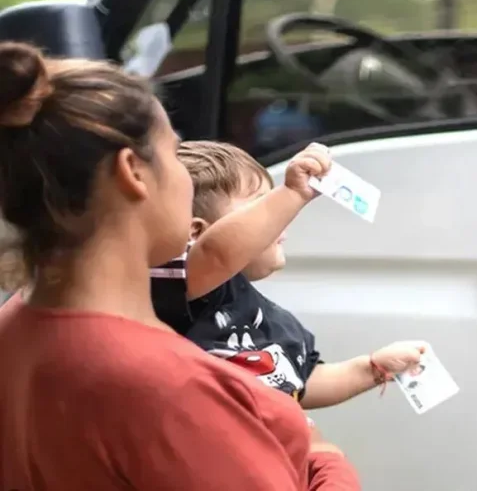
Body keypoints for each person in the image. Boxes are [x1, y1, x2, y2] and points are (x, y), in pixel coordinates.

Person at [0, 42, 360, 491]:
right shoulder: (171, 389)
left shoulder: (15, 328)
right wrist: (325, 458)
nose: (186, 177)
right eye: (174, 153)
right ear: (133, 172)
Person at [151, 140, 425, 407]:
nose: (280, 215)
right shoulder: (184, 291)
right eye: (261, 203)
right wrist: (292, 193)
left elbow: (302, 381)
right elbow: (218, 253)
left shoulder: (266, 315)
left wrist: (373, 368)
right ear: (196, 233)